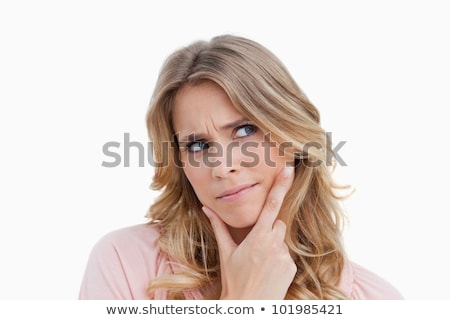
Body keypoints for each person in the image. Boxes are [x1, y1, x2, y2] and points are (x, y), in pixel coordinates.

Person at [79, 34, 403, 300]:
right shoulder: (123, 264)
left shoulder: (375, 300)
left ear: (290, 136)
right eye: (198, 145)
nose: (222, 167)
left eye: (245, 130)